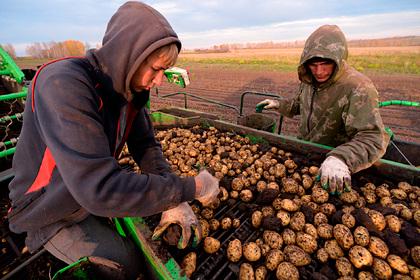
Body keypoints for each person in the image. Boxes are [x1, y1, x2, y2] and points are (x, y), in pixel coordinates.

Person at [7, 2, 219, 279]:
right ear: (127, 55)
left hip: (85, 193)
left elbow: (145, 146)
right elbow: (100, 187)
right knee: (126, 265)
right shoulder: (63, 84)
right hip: (47, 206)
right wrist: (193, 187)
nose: (158, 82)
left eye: (163, 72)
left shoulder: (130, 88)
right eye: (155, 69)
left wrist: (173, 198)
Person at [257, 24, 390, 195]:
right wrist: (278, 105)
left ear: (339, 58)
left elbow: (373, 137)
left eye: (326, 63)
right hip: (307, 153)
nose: (319, 71)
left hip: (336, 167)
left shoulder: (357, 87)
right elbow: (301, 104)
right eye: (314, 65)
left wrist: (340, 158)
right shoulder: (309, 79)